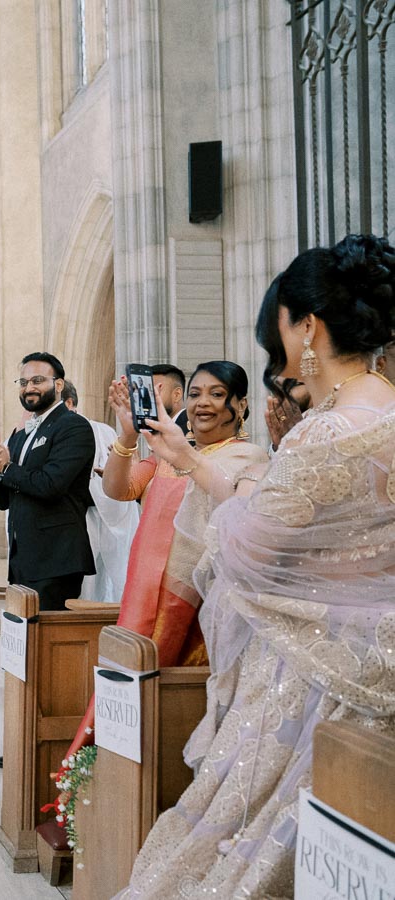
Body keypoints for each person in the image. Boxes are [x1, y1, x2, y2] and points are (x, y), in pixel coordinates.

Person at [117, 234, 395, 898]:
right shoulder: (381, 409)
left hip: (314, 679)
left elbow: (247, 547)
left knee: (240, 855)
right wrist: (191, 463)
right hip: (380, 663)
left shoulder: (325, 432)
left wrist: (224, 506)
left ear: (309, 326)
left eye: (282, 327)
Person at [58, 361, 268, 768]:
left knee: (165, 694)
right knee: (125, 680)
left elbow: (239, 513)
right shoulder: (168, 453)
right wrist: (128, 435)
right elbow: (119, 489)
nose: (202, 403)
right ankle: (103, 774)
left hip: (199, 605)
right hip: (143, 592)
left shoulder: (250, 457)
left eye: (217, 394)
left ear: (240, 405)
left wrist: (182, 453)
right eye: (195, 394)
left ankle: (156, 776)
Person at [0, 352, 96, 611]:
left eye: (37, 380)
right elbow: (3, 502)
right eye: (23, 383)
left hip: (56, 558)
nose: (29, 388)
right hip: (23, 558)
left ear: (58, 385)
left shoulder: (74, 427)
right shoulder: (20, 436)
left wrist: (8, 467)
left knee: (47, 642)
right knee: (26, 642)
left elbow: (51, 484)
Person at [61, 381, 140, 605]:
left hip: (98, 515)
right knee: (85, 588)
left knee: (105, 583)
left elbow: (119, 478)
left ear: (69, 403)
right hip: (79, 520)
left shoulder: (102, 431)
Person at [150, 364, 189, 434]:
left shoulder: (194, 427)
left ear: (177, 395)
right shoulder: (156, 429)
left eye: (156, 391)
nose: (150, 397)